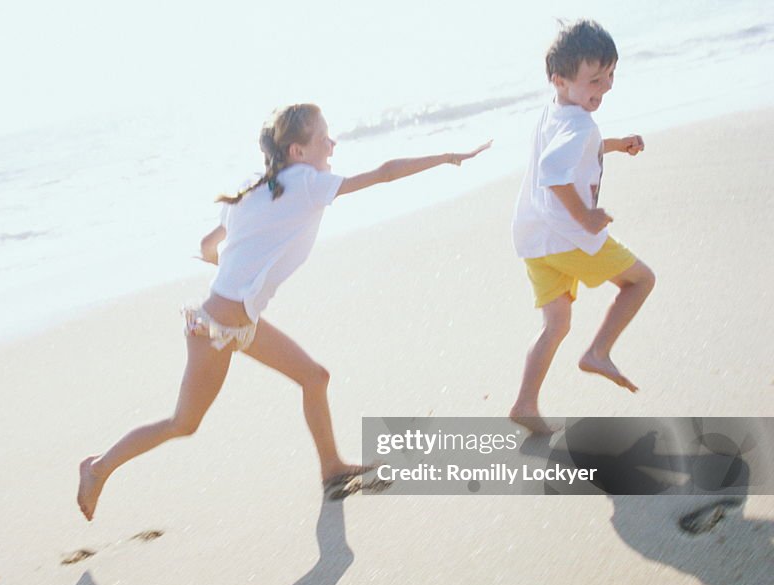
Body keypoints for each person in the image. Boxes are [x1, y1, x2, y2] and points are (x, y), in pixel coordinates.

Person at [78, 103, 491, 520]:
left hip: (237, 321)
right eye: (323, 137)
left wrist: (233, 272)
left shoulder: (256, 185)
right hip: (216, 325)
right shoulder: (308, 183)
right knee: (183, 423)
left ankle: (332, 469)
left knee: (314, 377)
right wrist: (445, 157)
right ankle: (98, 468)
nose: (332, 143)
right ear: (297, 151)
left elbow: (208, 243)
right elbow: (383, 173)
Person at [509, 20, 656, 435]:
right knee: (641, 280)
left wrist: (615, 143)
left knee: (555, 325)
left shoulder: (554, 111)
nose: (606, 85)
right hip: (566, 235)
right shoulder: (580, 124)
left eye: (610, 74)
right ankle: (598, 351)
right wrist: (587, 218)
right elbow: (554, 172)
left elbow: (567, 151)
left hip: (532, 236)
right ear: (560, 79)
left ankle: (524, 403)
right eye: (595, 78)